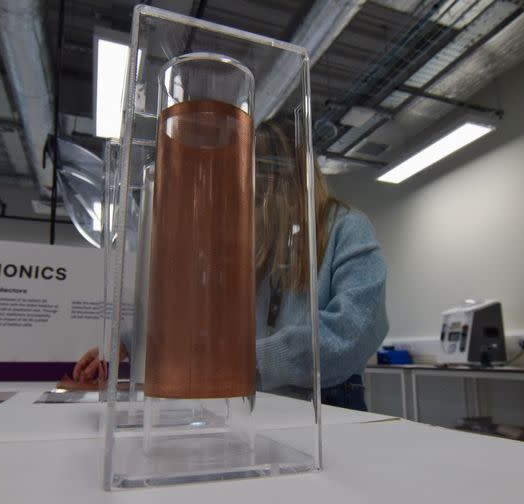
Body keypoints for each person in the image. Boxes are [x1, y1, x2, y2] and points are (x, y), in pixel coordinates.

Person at [72, 118, 389, 411]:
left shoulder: (347, 229)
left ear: (294, 176)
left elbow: (354, 332)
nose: (253, 193)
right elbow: (197, 307)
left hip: (331, 402)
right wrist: (127, 342)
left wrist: (249, 359)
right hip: (257, 399)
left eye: (264, 179)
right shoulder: (254, 243)